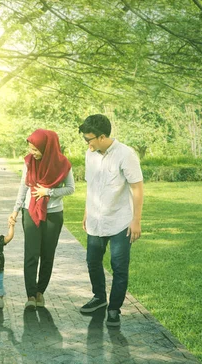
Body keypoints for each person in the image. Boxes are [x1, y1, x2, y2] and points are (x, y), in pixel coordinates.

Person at [78, 114, 144, 327]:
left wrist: (136, 220)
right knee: (92, 262)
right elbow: (91, 185)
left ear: (102, 136)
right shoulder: (91, 155)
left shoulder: (126, 154)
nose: (86, 143)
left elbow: (137, 188)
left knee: (119, 266)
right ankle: (99, 298)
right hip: (96, 220)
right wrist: (87, 211)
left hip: (120, 221)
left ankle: (114, 309)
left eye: (89, 139)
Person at [9, 129, 75, 310]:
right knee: (31, 253)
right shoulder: (29, 162)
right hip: (30, 211)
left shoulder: (63, 164)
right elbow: (23, 186)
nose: (33, 153)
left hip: (53, 213)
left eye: (36, 149)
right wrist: (15, 210)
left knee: (48, 254)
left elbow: (70, 188)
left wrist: (49, 192)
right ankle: (30, 294)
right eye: (31, 148)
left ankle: (40, 292)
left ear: (47, 148)